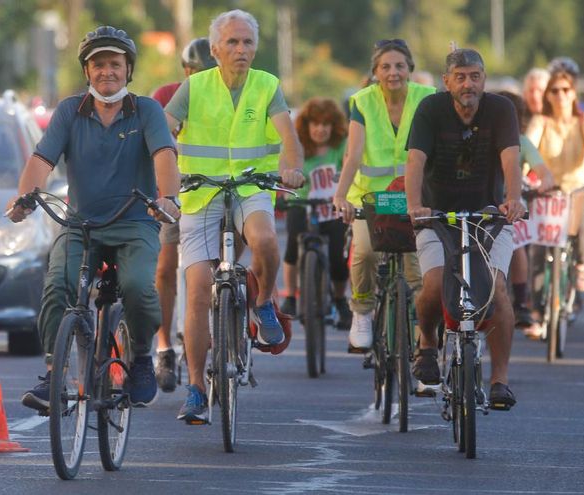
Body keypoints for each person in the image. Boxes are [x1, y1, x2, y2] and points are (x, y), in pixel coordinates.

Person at [6, 26, 181, 411]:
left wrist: (167, 199)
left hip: (135, 223)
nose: (107, 72)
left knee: (138, 286)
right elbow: (41, 160)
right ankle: (54, 375)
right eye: (98, 64)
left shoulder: (146, 110)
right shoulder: (70, 110)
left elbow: (164, 155)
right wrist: (25, 198)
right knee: (57, 286)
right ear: (87, 71)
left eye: (115, 64)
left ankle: (139, 358)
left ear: (128, 69)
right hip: (81, 225)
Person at [164, 9, 304, 424]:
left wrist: (292, 168)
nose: (241, 49)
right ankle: (195, 388)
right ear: (214, 50)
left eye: (247, 42)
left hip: (250, 187)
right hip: (200, 193)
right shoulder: (193, 87)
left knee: (264, 240)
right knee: (199, 288)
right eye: (232, 42)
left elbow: (289, 139)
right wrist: (163, 164)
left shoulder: (267, 85)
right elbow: (163, 131)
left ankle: (263, 304)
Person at [405, 48, 526, 408]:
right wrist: (415, 206)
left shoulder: (501, 109)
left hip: (490, 215)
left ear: (484, 79)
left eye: (475, 76)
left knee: (498, 288)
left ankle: (500, 380)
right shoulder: (430, 109)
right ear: (447, 82)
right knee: (433, 282)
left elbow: (511, 159)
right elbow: (415, 161)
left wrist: (514, 199)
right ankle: (427, 343)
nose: (468, 83)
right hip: (437, 215)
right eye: (460, 76)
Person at [332, 38, 435, 352]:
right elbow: (353, 155)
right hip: (371, 198)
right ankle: (362, 312)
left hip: (415, 197)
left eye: (400, 66)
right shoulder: (362, 101)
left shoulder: (429, 98)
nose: (393, 73)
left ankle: (424, 347)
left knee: (417, 272)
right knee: (364, 252)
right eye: (386, 67)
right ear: (375, 72)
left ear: (410, 70)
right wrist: (340, 197)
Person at [150, 37, 217, 394]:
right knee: (164, 268)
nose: (203, 79)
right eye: (196, 72)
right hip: (178, 194)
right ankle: (164, 348)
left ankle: (228, 328)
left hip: (219, 192)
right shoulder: (167, 96)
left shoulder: (228, 98)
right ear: (186, 72)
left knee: (225, 264)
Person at [526, 64, 584, 297]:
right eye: (554, 90)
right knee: (538, 245)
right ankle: (537, 311)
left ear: (574, 93)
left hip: (580, 185)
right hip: (549, 189)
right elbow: (528, 151)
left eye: (565, 90)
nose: (560, 95)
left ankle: (582, 266)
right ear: (548, 95)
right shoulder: (541, 121)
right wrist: (521, 177)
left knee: (578, 204)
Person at [279, 97, 352, 329]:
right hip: (302, 204)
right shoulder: (297, 144)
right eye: (316, 124)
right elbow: (283, 168)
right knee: (292, 243)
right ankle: (290, 296)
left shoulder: (342, 145)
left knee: (339, 256)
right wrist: (283, 193)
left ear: (334, 126)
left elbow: (350, 167)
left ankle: (340, 300)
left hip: (332, 207)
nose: (320, 129)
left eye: (326, 124)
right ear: (307, 125)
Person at [496, 90, 554, 337]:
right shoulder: (480, 137)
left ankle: (521, 301)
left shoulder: (521, 142)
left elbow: (543, 171)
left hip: (511, 202)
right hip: (483, 200)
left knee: (516, 244)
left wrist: (544, 183)